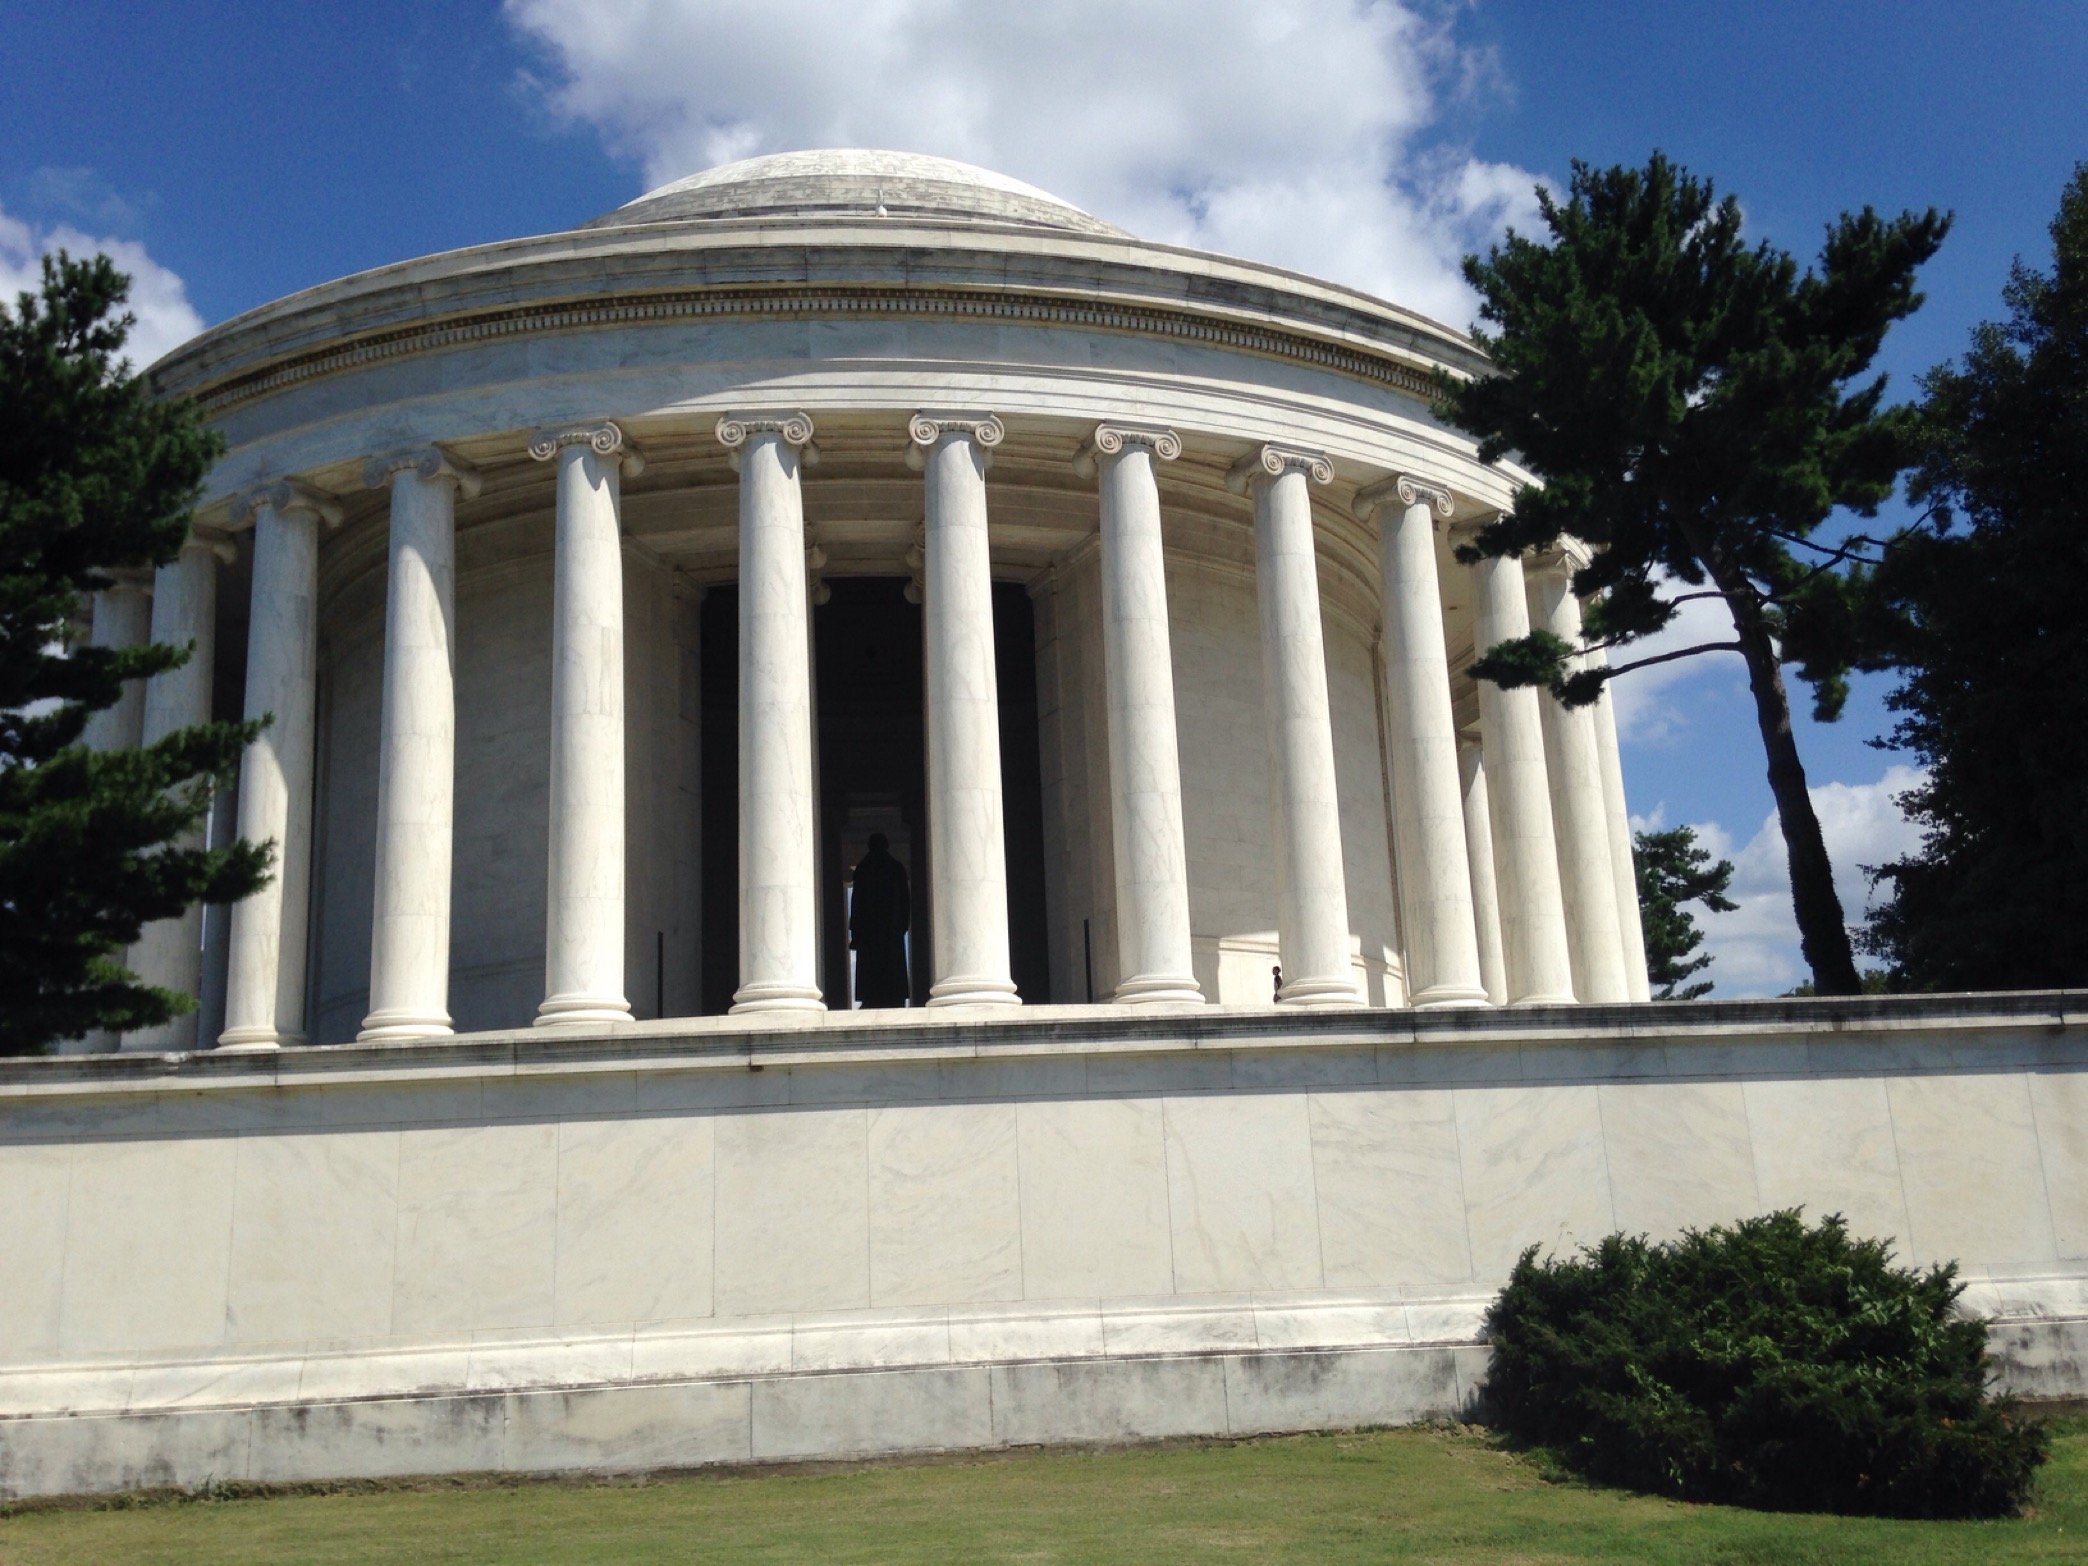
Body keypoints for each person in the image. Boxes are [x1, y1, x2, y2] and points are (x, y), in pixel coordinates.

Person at [849, 833, 911, 1008]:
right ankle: (891, 995)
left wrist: (855, 931)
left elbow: (857, 902)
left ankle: (873, 996)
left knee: (873, 966)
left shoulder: (863, 868)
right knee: (890, 965)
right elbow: (906, 901)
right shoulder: (896, 868)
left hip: (872, 930)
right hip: (890, 929)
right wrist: (903, 924)